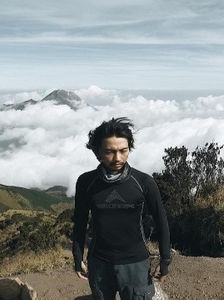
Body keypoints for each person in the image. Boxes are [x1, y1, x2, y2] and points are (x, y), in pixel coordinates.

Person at [72, 117, 171, 300]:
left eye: (123, 151)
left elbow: (161, 220)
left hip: (135, 263)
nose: (118, 158)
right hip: (99, 262)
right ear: (98, 152)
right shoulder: (86, 182)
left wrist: (165, 260)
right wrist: (77, 256)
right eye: (110, 152)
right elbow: (79, 222)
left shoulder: (143, 182)